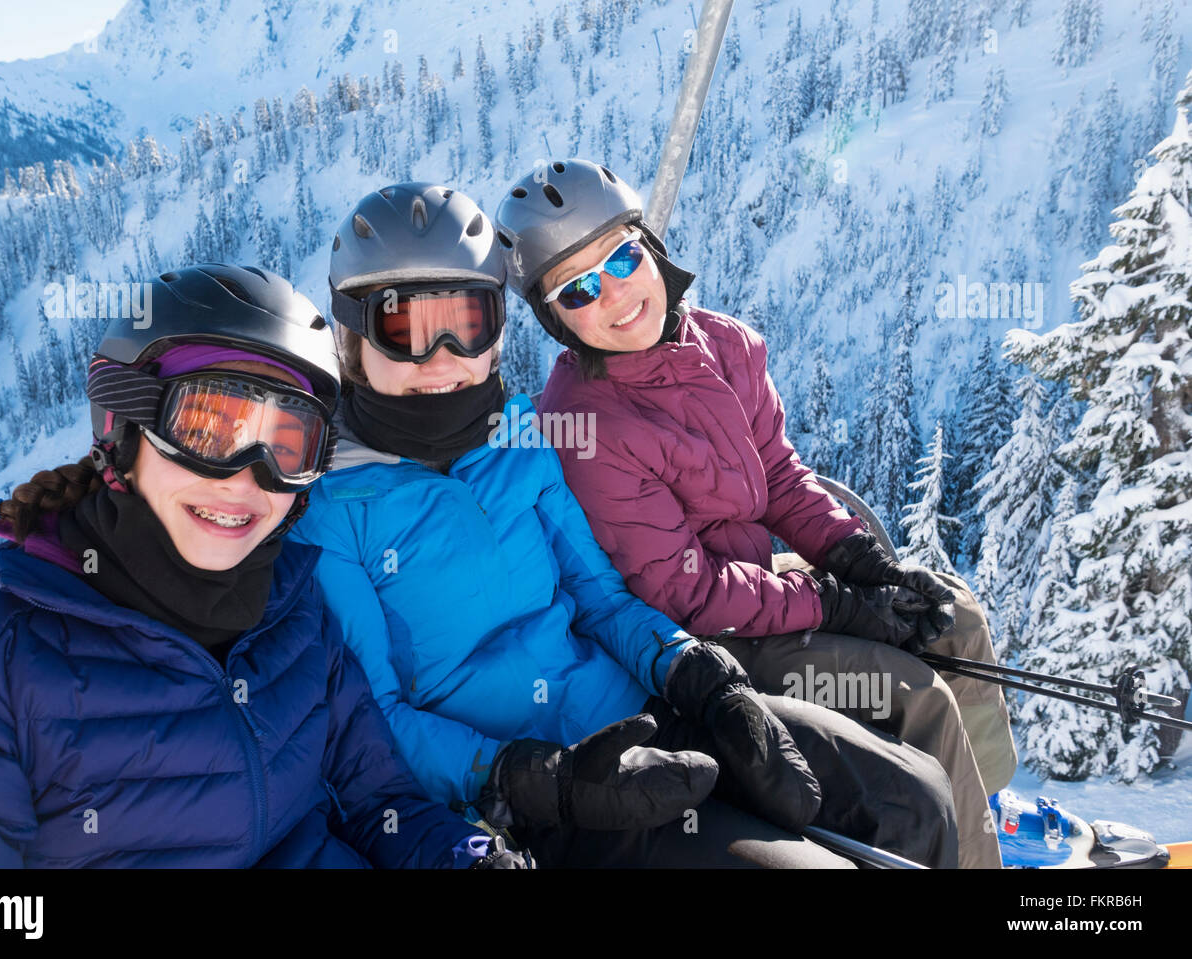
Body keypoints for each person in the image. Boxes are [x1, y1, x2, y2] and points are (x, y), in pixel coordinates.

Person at [295, 181, 961, 868]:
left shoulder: (517, 437)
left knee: (914, 796)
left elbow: (602, 597)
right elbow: (373, 719)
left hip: (640, 706)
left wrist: (697, 672)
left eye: (465, 322)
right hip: (541, 793)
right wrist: (523, 777)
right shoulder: (330, 509)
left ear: (493, 333)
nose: (439, 357)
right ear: (353, 340)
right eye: (401, 327)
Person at [0, 263, 523, 869]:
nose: (245, 477)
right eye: (207, 427)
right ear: (125, 432)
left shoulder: (292, 609)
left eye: (285, 445)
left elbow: (377, 802)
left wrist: (464, 860)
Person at [494, 158, 1019, 868]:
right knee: (913, 691)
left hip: (759, 582)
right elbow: (690, 595)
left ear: (650, 245)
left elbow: (779, 477)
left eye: (623, 256)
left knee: (948, 614)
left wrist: (856, 557)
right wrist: (835, 603)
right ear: (555, 318)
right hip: (710, 641)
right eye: (581, 288)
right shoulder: (584, 426)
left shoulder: (724, 344)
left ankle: (976, 814)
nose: (617, 294)